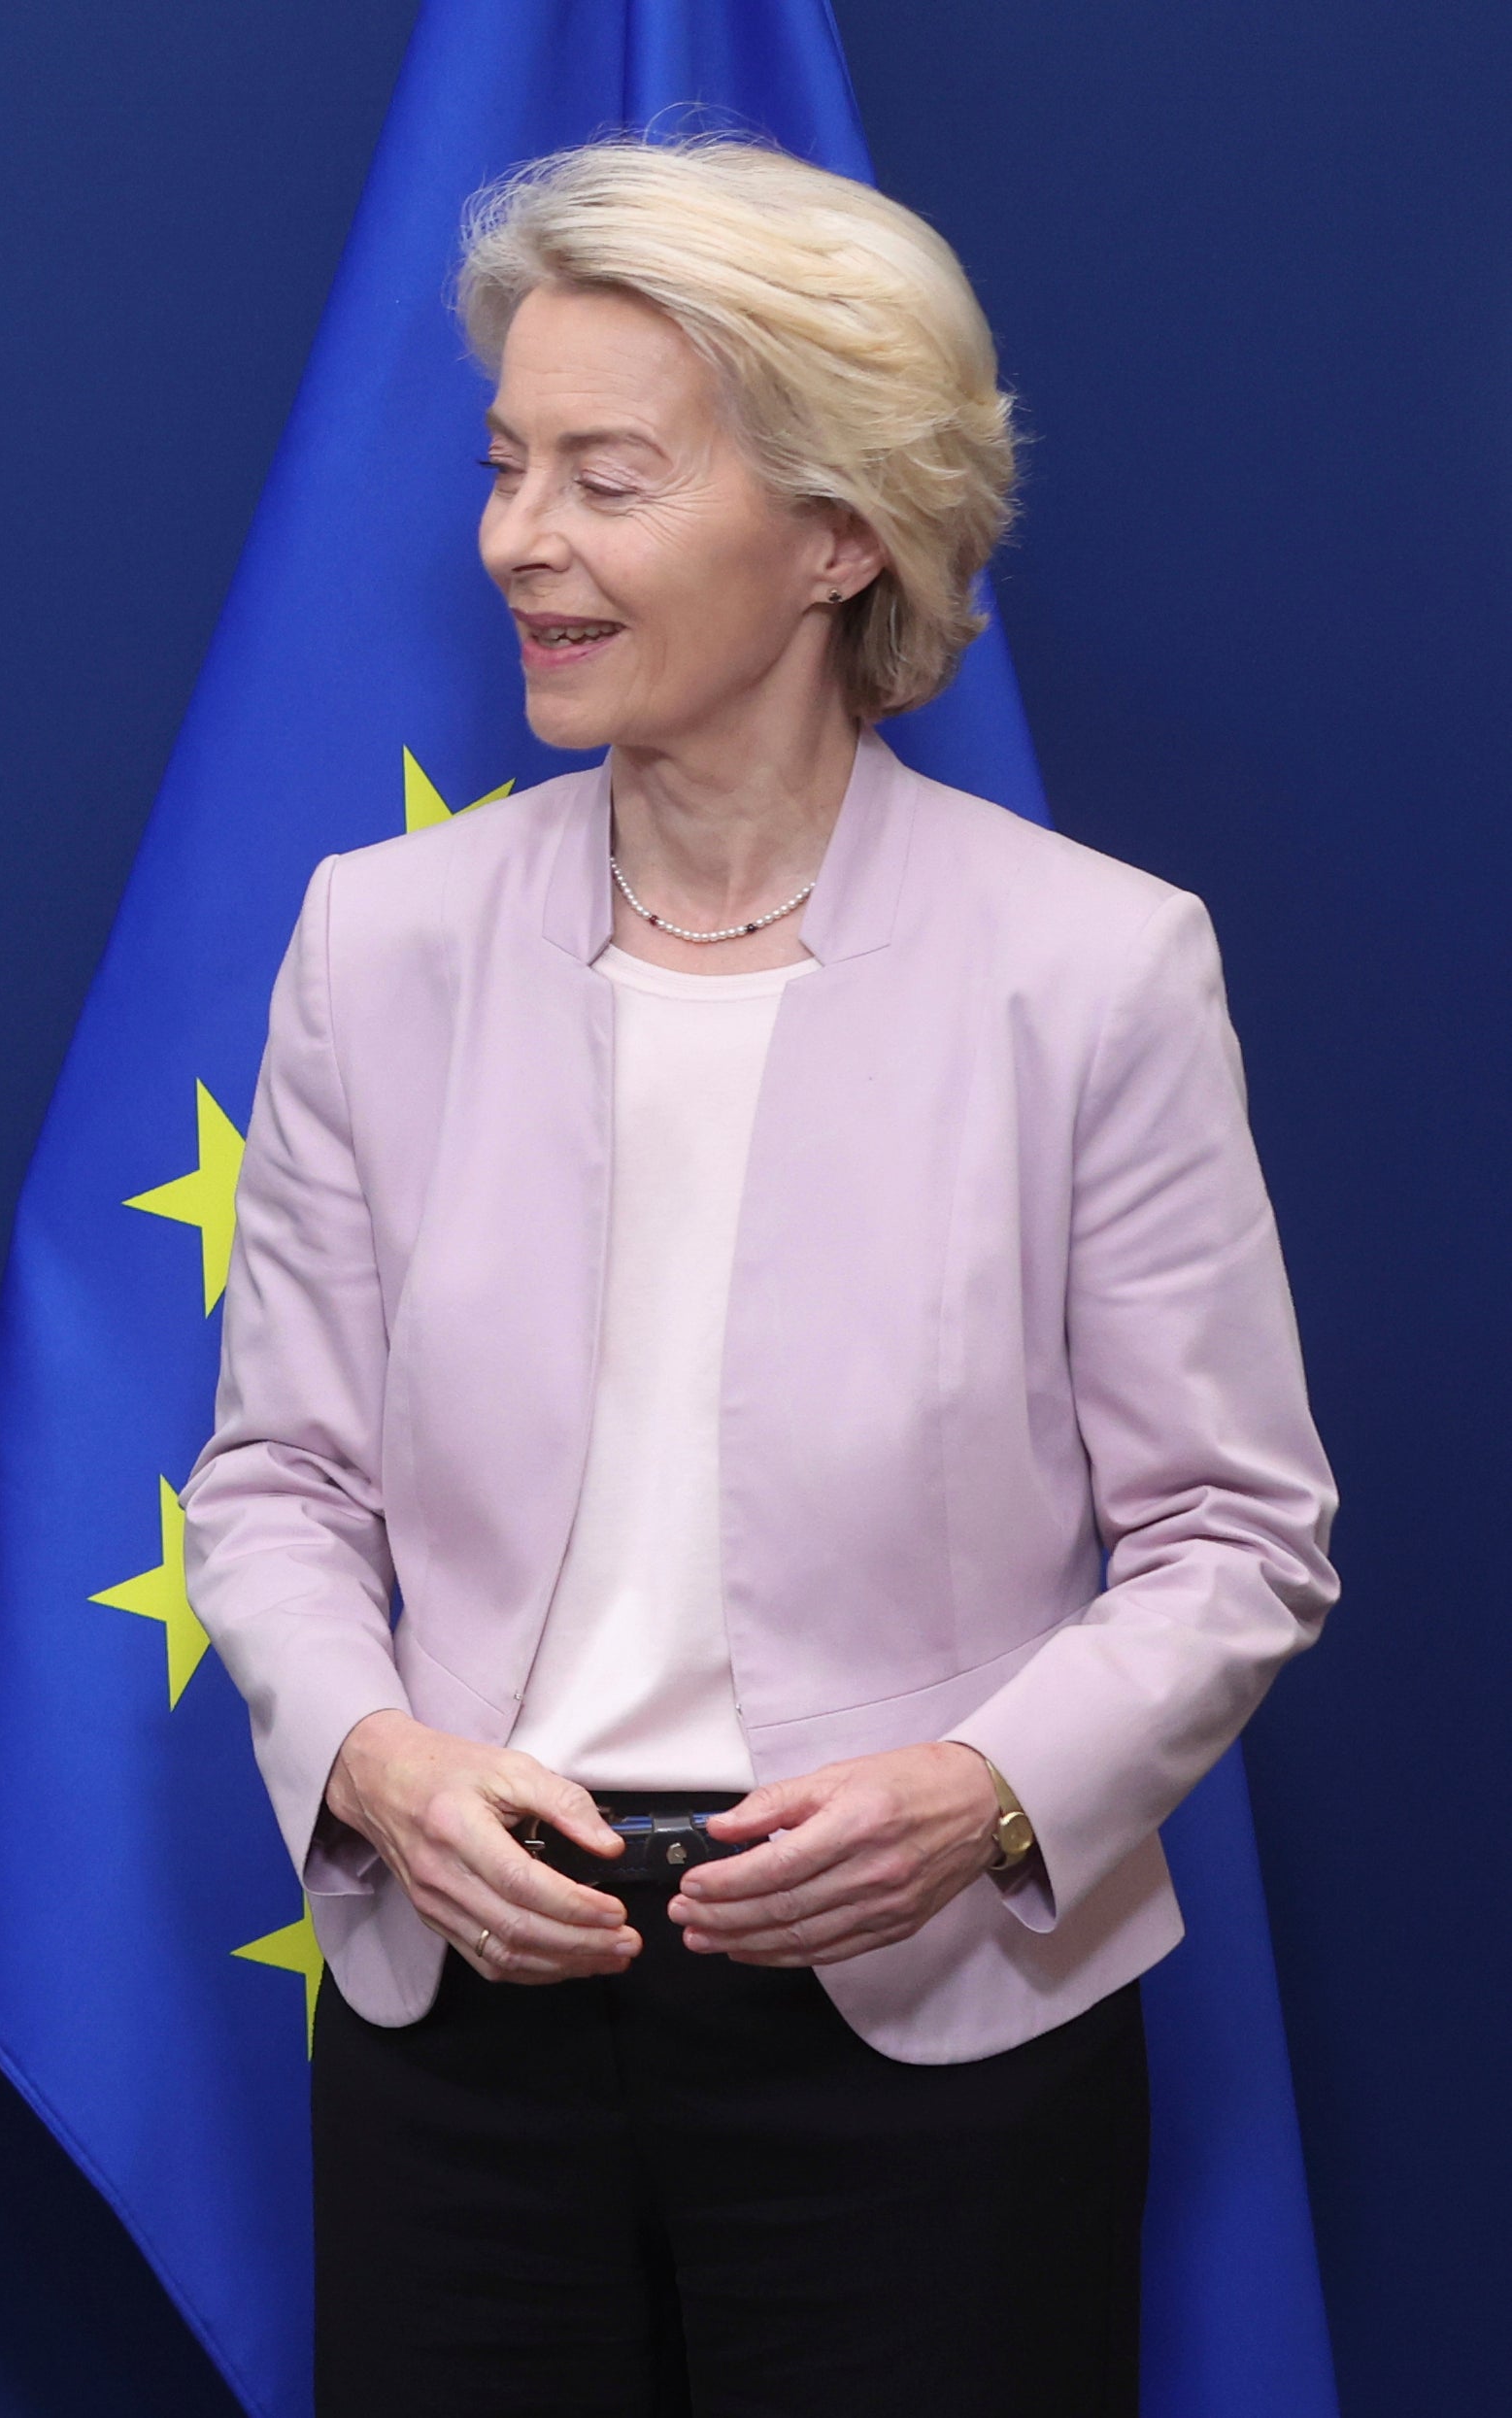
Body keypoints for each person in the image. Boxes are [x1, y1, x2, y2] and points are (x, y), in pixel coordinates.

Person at [184, 135, 1332, 2415]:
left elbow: (1234, 1532)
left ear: (838, 532)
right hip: (465, 2027)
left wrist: (983, 1791)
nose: (518, 539)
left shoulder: (1088, 970)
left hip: (931, 2045)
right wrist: (378, 1765)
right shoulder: (376, 942)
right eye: (503, 467)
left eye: (603, 478)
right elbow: (276, 1486)